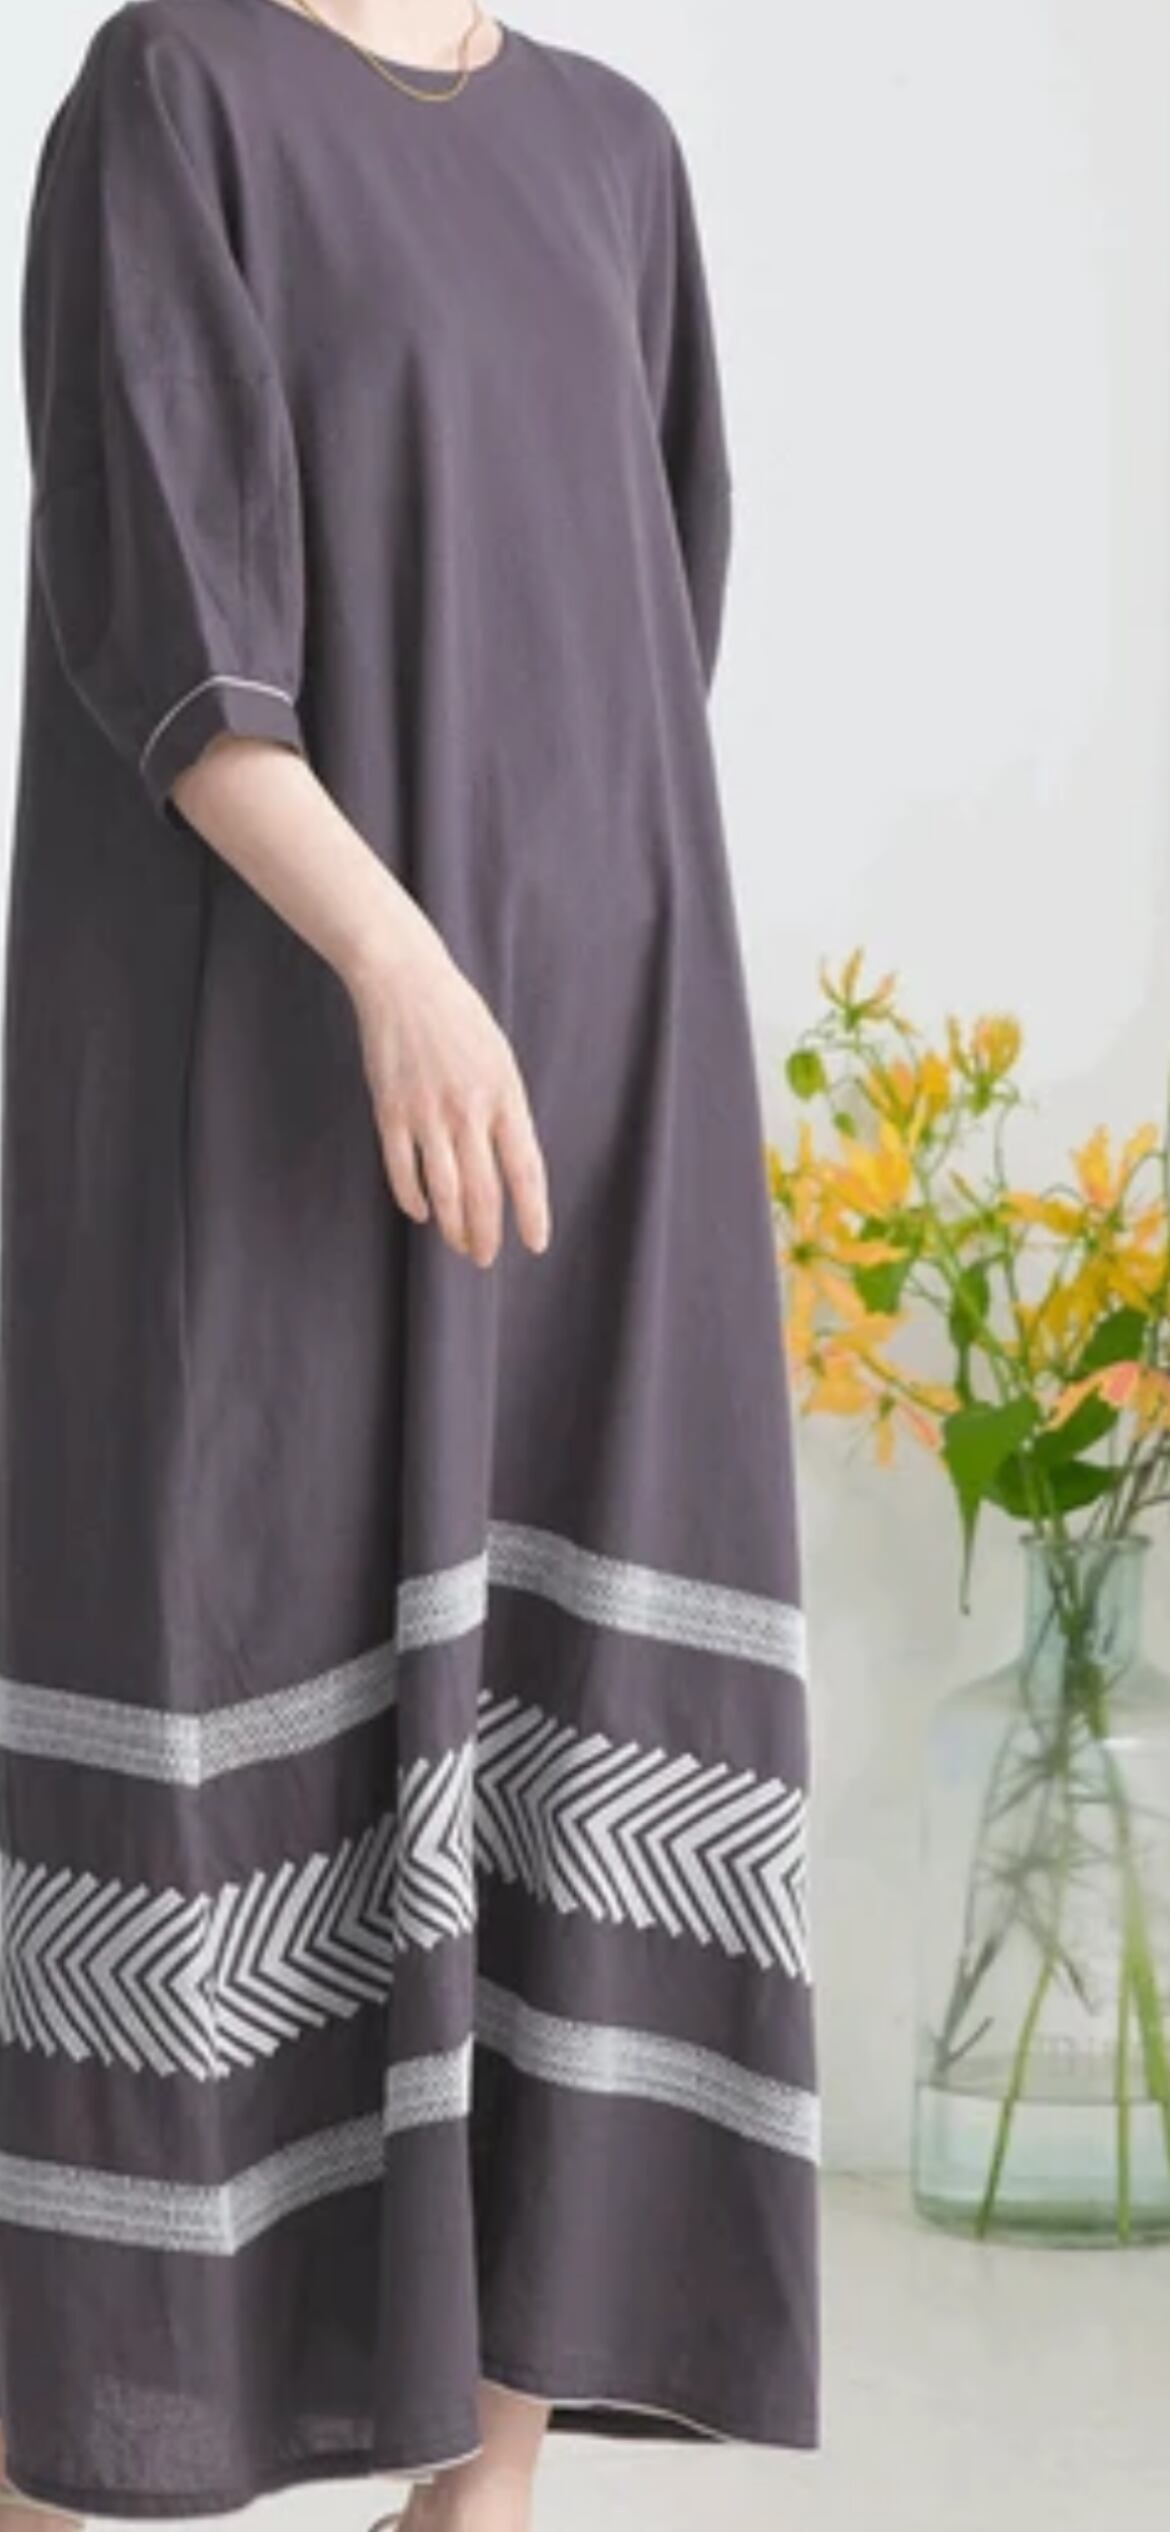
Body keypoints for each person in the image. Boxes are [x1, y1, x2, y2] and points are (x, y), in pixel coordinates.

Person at [0, 1, 820, 2525]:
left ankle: (487, 2502)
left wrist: (555, 974)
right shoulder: (177, 95)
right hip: (276, 1069)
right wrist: (397, 957)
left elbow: (645, 629)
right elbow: (168, 626)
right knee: (201, 1748)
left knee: (567, 1749)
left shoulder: (618, 152)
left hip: (596, 1071)